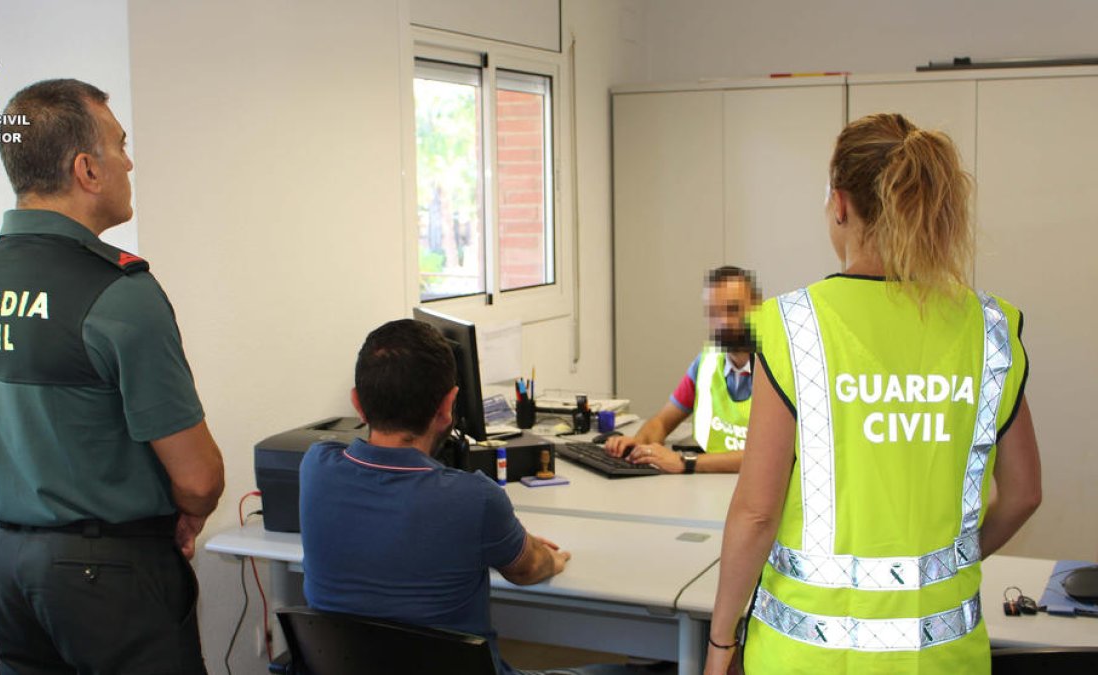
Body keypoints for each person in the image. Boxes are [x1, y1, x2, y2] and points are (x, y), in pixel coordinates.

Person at [704, 114, 1042, 674]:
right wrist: (953, 564)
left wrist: (720, 645)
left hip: (807, 657)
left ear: (840, 204)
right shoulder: (989, 329)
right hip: (943, 657)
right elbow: (1025, 493)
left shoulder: (794, 326)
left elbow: (757, 513)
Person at [0, 79, 224, 673]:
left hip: (8, 565)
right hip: (109, 575)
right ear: (86, 169)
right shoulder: (119, 294)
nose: (129, 160)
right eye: (120, 145)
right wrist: (186, 512)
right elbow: (197, 479)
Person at [301, 320, 649, 675]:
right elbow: (529, 570)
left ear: (357, 403)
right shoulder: (473, 498)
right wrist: (546, 556)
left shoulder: (315, 468)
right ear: (448, 405)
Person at [605, 266, 761, 474]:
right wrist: (639, 445)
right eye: (714, 313)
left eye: (733, 310)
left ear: (759, 308)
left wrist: (685, 462)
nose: (723, 322)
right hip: (709, 485)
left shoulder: (780, 365)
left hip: (759, 490)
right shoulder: (707, 362)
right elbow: (661, 421)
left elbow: (769, 457)